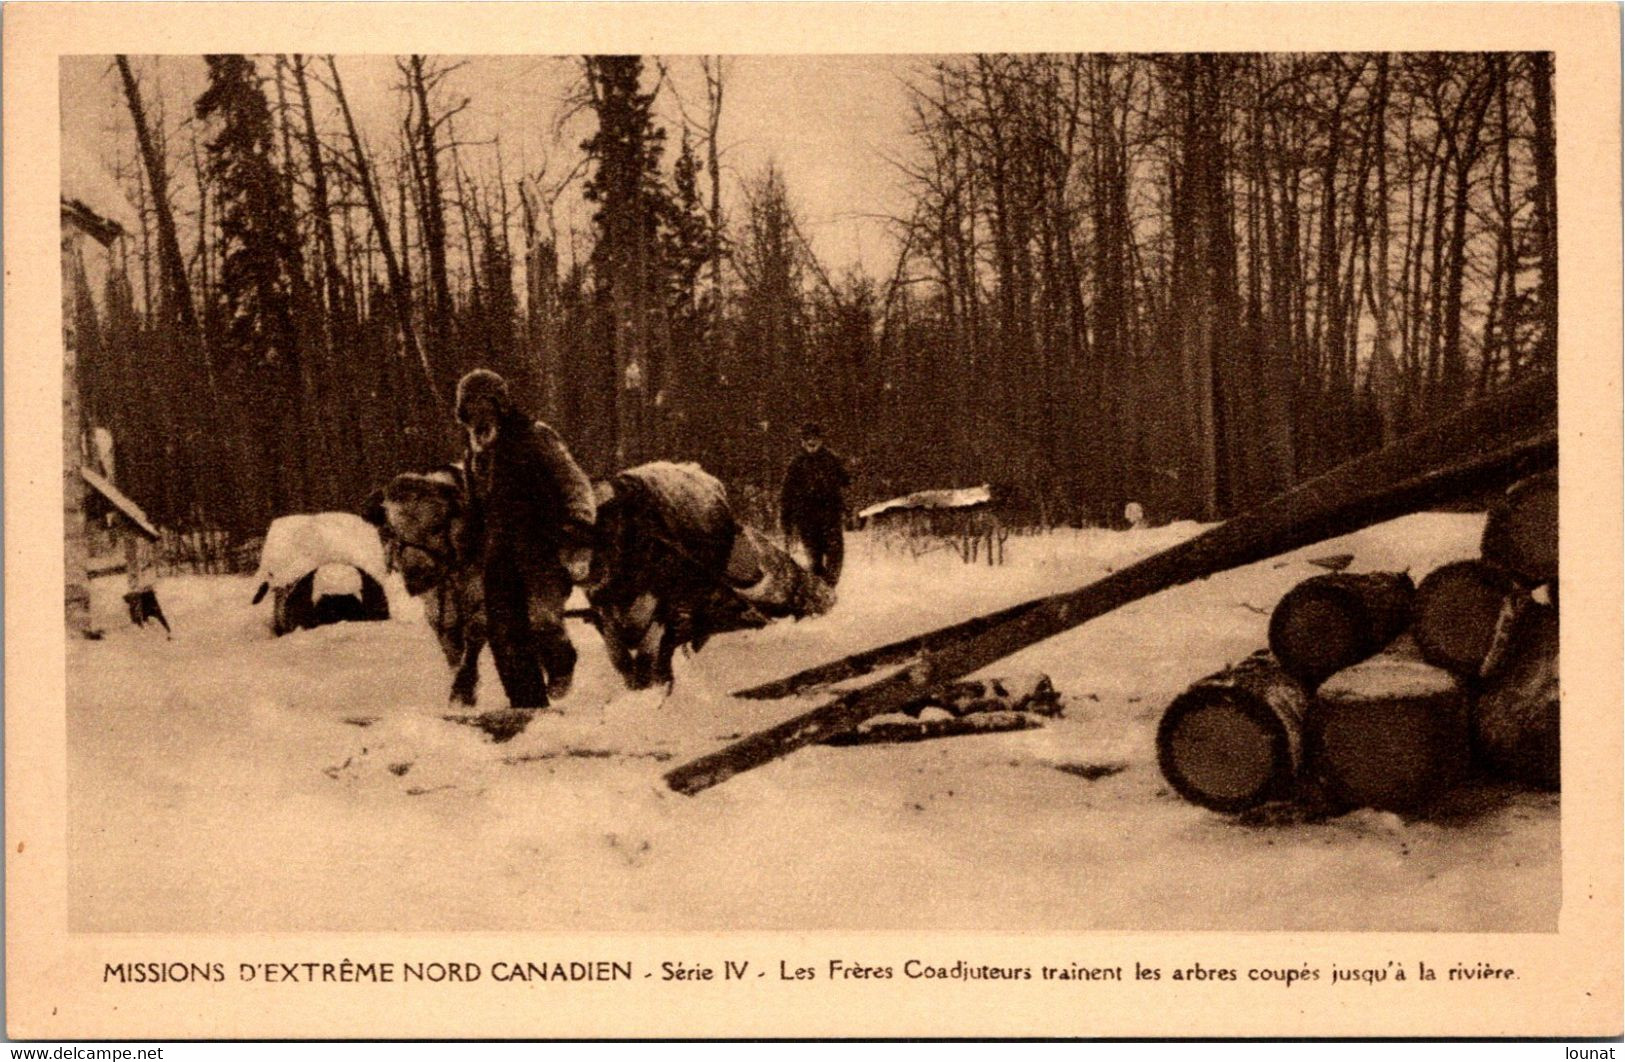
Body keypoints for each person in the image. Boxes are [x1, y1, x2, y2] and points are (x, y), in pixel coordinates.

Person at [454, 369, 596, 709]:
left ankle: (562, 664)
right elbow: (476, 504)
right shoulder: (474, 454)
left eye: (485, 406)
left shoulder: (535, 436)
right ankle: (527, 707)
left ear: (501, 406)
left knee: (542, 621)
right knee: (505, 636)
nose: (478, 415)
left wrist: (579, 523)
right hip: (498, 555)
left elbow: (573, 481)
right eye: (470, 409)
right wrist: (468, 539)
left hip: (541, 548)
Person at [779, 421, 850, 586]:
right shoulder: (796, 464)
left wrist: (849, 510)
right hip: (807, 520)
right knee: (814, 559)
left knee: (835, 556)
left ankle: (829, 587)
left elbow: (847, 484)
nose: (811, 442)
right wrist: (787, 523)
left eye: (815, 438)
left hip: (830, 518)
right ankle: (818, 590)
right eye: (807, 438)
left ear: (821, 440)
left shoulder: (832, 460)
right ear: (802, 442)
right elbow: (786, 495)